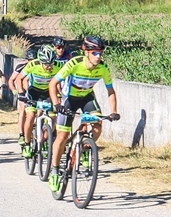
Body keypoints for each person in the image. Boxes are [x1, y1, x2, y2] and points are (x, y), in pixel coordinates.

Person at [47, 35, 119, 192]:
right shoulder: (74, 63)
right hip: (69, 99)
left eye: (101, 53)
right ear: (86, 52)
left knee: (98, 124)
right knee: (61, 137)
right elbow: (53, 83)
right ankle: (54, 171)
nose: (99, 56)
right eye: (95, 53)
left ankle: (84, 148)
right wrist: (56, 104)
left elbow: (111, 91)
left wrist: (113, 112)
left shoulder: (103, 68)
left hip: (87, 98)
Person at [17, 46, 60, 158]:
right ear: (41, 61)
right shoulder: (33, 64)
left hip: (48, 93)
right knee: (30, 116)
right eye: (46, 64)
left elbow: (64, 79)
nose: (49, 67)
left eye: (51, 63)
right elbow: (19, 79)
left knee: (53, 117)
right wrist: (21, 94)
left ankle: (45, 138)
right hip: (34, 92)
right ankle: (27, 144)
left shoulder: (58, 66)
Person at [8, 48, 36, 143]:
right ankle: (21, 134)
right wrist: (15, 90)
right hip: (22, 92)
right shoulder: (21, 67)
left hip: (34, 91)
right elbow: (12, 80)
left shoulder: (38, 67)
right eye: (29, 61)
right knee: (23, 111)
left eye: (33, 60)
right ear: (26, 60)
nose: (31, 63)